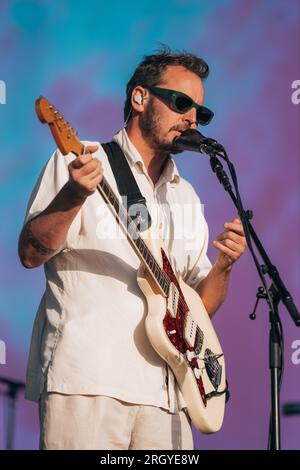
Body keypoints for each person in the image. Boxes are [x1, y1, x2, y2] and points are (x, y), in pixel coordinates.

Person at [19, 47, 247, 450]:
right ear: (140, 98)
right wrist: (74, 195)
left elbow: (200, 310)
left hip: (168, 398)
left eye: (201, 112)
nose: (192, 118)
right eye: (181, 103)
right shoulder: (83, 160)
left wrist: (225, 265)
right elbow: (31, 253)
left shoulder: (186, 196)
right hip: (89, 383)